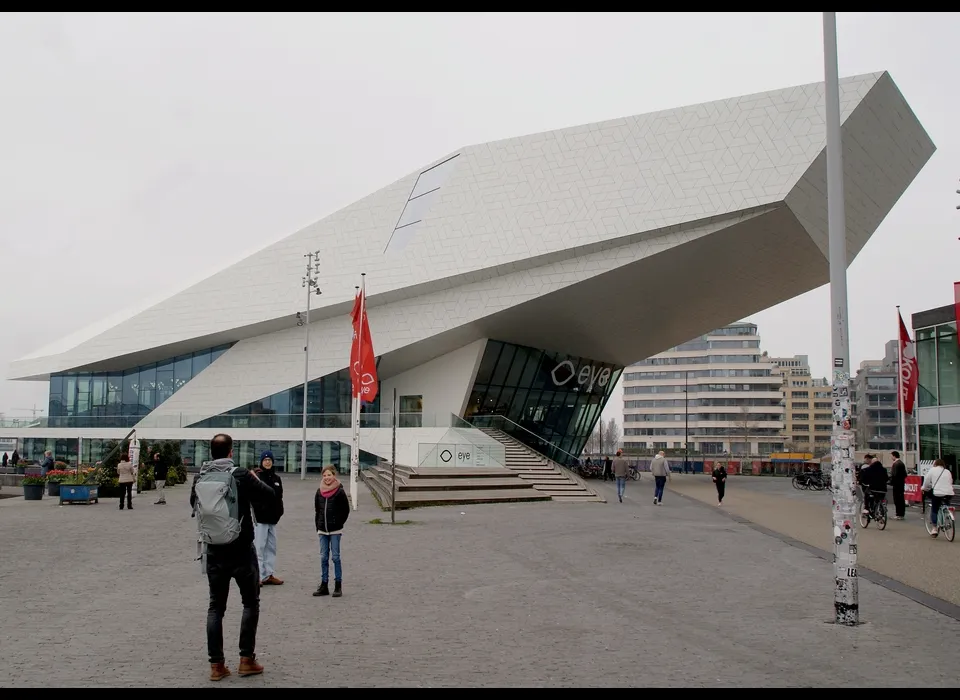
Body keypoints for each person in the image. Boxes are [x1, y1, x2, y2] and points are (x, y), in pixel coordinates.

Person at [190, 433, 277, 682]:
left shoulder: (200, 476)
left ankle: (216, 666)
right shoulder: (240, 475)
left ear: (210, 452)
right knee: (250, 603)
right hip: (241, 551)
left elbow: (192, 504)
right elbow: (269, 495)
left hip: (214, 551)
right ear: (230, 452)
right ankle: (246, 660)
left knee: (216, 607)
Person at [313, 465, 350, 598]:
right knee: (323, 557)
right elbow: (317, 510)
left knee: (335, 557)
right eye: (324, 475)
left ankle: (338, 585)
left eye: (329, 475)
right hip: (322, 529)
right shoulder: (319, 492)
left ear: (334, 475)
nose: (327, 478)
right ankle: (324, 585)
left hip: (335, 529)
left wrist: (339, 522)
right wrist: (318, 525)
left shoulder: (339, 491)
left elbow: (345, 510)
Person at [252, 450, 284, 586]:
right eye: (265, 460)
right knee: (259, 548)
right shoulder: (257, 477)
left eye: (269, 460)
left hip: (273, 519)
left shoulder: (277, 479)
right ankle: (257, 576)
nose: (267, 462)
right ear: (261, 461)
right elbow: (253, 497)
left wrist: (279, 512)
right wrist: (261, 509)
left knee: (271, 547)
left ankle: (268, 574)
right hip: (260, 519)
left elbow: (279, 497)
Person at [921, 458, 955, 538]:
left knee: (934, 509)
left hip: (938, 493)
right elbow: (950, 481)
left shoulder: (932, 470)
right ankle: (949, 517)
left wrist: (923, 488)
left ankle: (934, 528)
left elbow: (927, 482)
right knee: (946, 505)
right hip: (949, 493)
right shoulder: (947, 471)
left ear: (935, 464)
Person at [889, 450, 908, 520]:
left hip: (897, 484)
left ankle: (898, 514)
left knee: (897, 499)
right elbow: (905, 474)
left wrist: (891, 481)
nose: (891, 457)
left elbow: (894, 475)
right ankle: (901, 513)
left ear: (894, 456)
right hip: (901, 484)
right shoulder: (901, 463)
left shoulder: (896, 464)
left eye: (891, 456)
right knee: (901, 499)